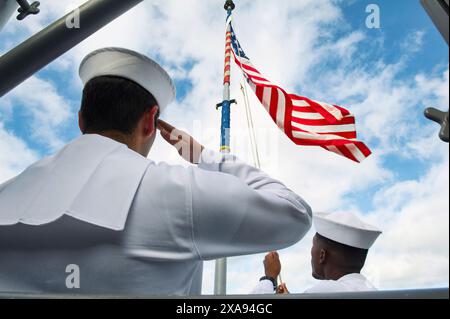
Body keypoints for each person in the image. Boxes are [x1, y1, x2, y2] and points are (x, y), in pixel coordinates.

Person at [0, 47, 313, 296]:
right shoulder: (179, 192)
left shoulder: (7, 193)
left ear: (81, 119)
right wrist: (203, 156)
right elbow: (295, 214)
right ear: (151, 121)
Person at [252, 211, 382, 294]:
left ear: (322, 255)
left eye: (313, 246)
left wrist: (269, 278)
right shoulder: (373, 291)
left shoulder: (324, 292)